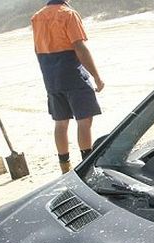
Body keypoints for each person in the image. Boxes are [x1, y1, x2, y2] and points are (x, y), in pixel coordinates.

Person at [31, 0, 105, 174]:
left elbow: (37, 49)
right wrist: (96, 77)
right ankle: (87, 165)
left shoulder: (37, 17)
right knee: (84, 120)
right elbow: (79, 46)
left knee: (61, 122)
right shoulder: (68, 14)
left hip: (50, 75)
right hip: (72, 72)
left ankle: (65, 166)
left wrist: (48, 74)